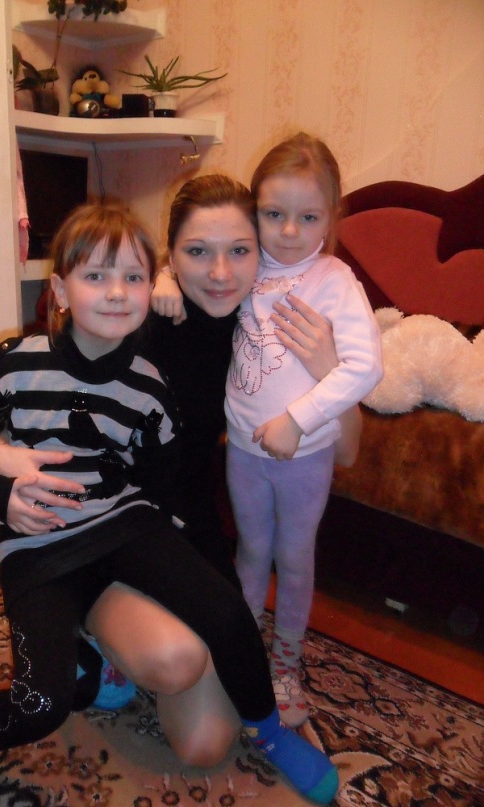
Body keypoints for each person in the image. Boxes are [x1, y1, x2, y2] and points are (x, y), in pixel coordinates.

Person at [0, 202, 339, 807]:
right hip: (38, 545)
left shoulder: (149, 382)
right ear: (60, 290)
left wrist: (179, 561)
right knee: (42, 703)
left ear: (150, 288)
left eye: (133, 277)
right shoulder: (15, 361)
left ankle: (268, 732)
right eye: (96, 276)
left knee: (227, 610)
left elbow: (162, 478)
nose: (115, 292)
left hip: (124, 526)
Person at [223, 133, 383, 728]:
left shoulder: (335, 279)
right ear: (254, 210)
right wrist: (164, 280)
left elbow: (366, 367)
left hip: (305, 456)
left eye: (308, 217)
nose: (289, 231)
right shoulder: (246, 261)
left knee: (292, 558)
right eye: (273, 214)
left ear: (332, 216)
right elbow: (197, 270)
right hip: (243, 452)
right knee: (250, 551)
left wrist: (296, 420)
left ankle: (284, 666)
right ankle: (241, 654)